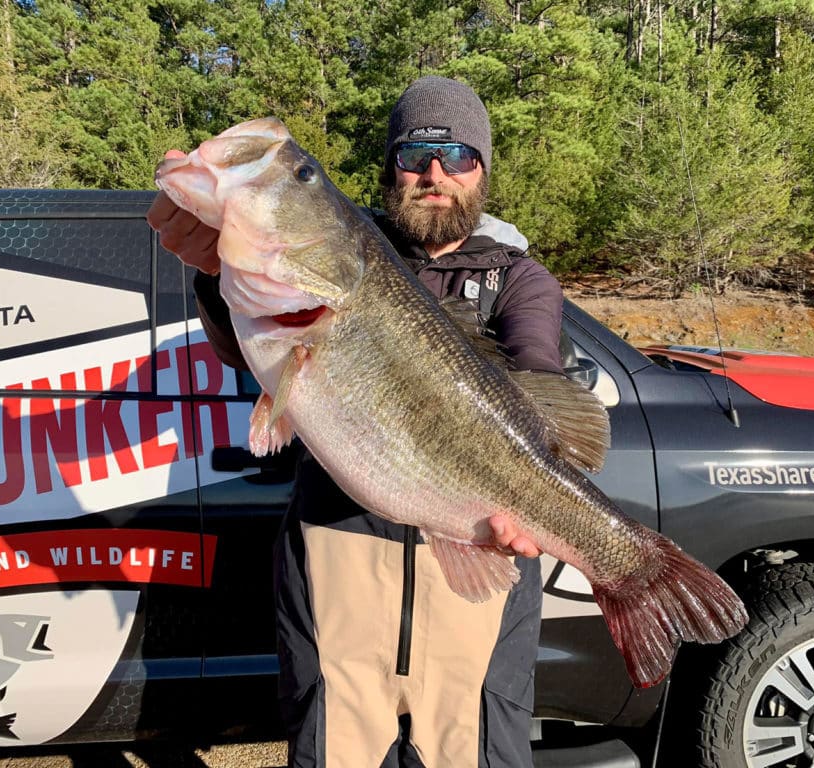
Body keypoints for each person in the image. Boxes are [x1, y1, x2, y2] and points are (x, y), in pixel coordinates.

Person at [148, 75, 565, 768]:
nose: (436, 175)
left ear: (484, 171)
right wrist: (216, 274)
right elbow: (247, 346)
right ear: (388, 167)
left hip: (475, 570)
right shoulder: (348, 249)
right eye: (415, 155)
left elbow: (540, 379)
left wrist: (536, 492)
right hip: (338, 561)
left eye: (459, 156)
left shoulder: (520, 280)